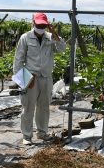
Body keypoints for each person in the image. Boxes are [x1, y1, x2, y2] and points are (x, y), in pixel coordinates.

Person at [13, 12, 66, 145]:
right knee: (28, 107)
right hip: (31, 77)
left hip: (46, 78)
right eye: (38, 24)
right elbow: (18, 60)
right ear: (33, 23)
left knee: (44, 107)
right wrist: (24, 81)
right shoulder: (25, 38)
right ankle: (26, 136)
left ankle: (42, 133)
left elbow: (62, 49)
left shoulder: (50, 37)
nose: (40, 27)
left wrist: (54, 32)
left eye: (43, 25)